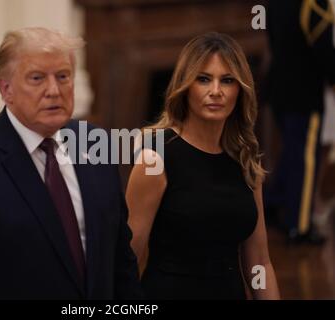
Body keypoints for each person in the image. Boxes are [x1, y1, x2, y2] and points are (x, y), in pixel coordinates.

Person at [0, 27, 141, 299]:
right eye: (37, 78)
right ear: (5, 89)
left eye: (63, 76)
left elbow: (121, 262)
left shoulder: (95, 143)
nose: (53, 91)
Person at [126, 32, 280, 299]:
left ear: (239, 90)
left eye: (228, 80)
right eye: (204, 79)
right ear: (186, 86)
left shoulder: (245, 159)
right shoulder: (156, 158)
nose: (216, 91)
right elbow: (129, 260)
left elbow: (259, 262)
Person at [264, 0, 335, 244]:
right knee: (304, 160)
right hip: (305, 92)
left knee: (293, 152)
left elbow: (272, 38)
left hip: (279, 88)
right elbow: (325, 49)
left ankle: (273, 204)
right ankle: (299, 226)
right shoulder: (313, 3)